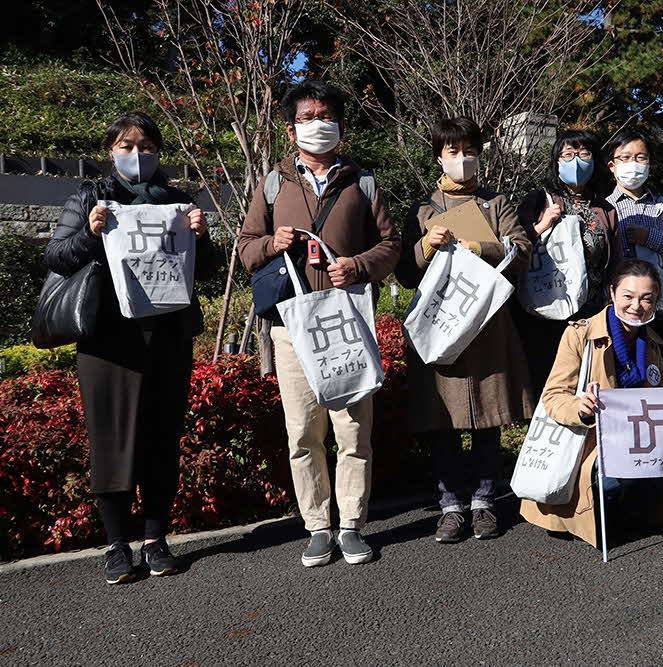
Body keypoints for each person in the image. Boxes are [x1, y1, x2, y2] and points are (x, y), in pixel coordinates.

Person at [43, 112, 218, 584]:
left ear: (158, 150)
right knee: (111, 439)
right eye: (124, 145)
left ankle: (156, 539)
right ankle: (116, 545)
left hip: (166, 335)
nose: (135, 154)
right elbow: (56, 256)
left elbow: (207, 270)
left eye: (144, 145)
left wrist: (203, 237)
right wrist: (89, 231)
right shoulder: (89, 197)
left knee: (162, 436)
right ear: (110, 151)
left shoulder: (179, 200)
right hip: (108, 339)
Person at [238, 81, 400, 567]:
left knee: (352, 430)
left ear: (340, 124)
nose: (316, 124)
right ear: (291, 129)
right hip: (293, 324)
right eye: (307, 117)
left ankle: (351, 524)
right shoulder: (273, 182)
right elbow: (246, 245)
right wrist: (271, 244)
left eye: (325, 115)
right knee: (303, 431)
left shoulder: (361, 182)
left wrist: (357, 265)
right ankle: (317, 525)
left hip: (347, 321)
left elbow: (391, 246)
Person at [395, 116, 533, 543]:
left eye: (469, 151)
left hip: (487, 325)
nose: (462, 159)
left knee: (488, 418)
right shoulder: (421, 210)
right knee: (444, 421)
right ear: (438, 155)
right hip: (441, 327)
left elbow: (524, 249)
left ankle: (485, 501)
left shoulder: (496, 203)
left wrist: (479, 247)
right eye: (453, 151)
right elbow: (402, 272)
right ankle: (450, 506)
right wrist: (424, 246)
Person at [520, 260, 663, 546]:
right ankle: (587, 509)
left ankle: (626, 506)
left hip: (635, 440)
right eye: (628, 296)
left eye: (646, 298)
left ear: (656, 301)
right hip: (591, 443)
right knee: (608, 478)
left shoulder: (653, 342)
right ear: (612, 293)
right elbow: (553, 396)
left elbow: (660, 407)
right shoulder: (581, 334)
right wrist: (580, 408)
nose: (636, 306)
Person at [513, 130, 619, 397]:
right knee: (551, 375)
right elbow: (512, 243)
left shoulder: (605, 209)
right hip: (550, 302)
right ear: (556, 161)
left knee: (587, 378)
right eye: (568, 154)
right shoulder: (540, 199)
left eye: (584, 154)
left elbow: (615, 260)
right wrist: (541, 224)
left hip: (592, 308)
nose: (576, 160)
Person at [605, 130, 663, 385]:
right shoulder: (604, 208)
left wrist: (651, 238)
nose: (633, 164)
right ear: (612, 166)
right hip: (620, 310)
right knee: (620, 378)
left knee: (660, 376)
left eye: (640, 157)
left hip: (662, 306)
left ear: (649, 164)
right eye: (625, 158)